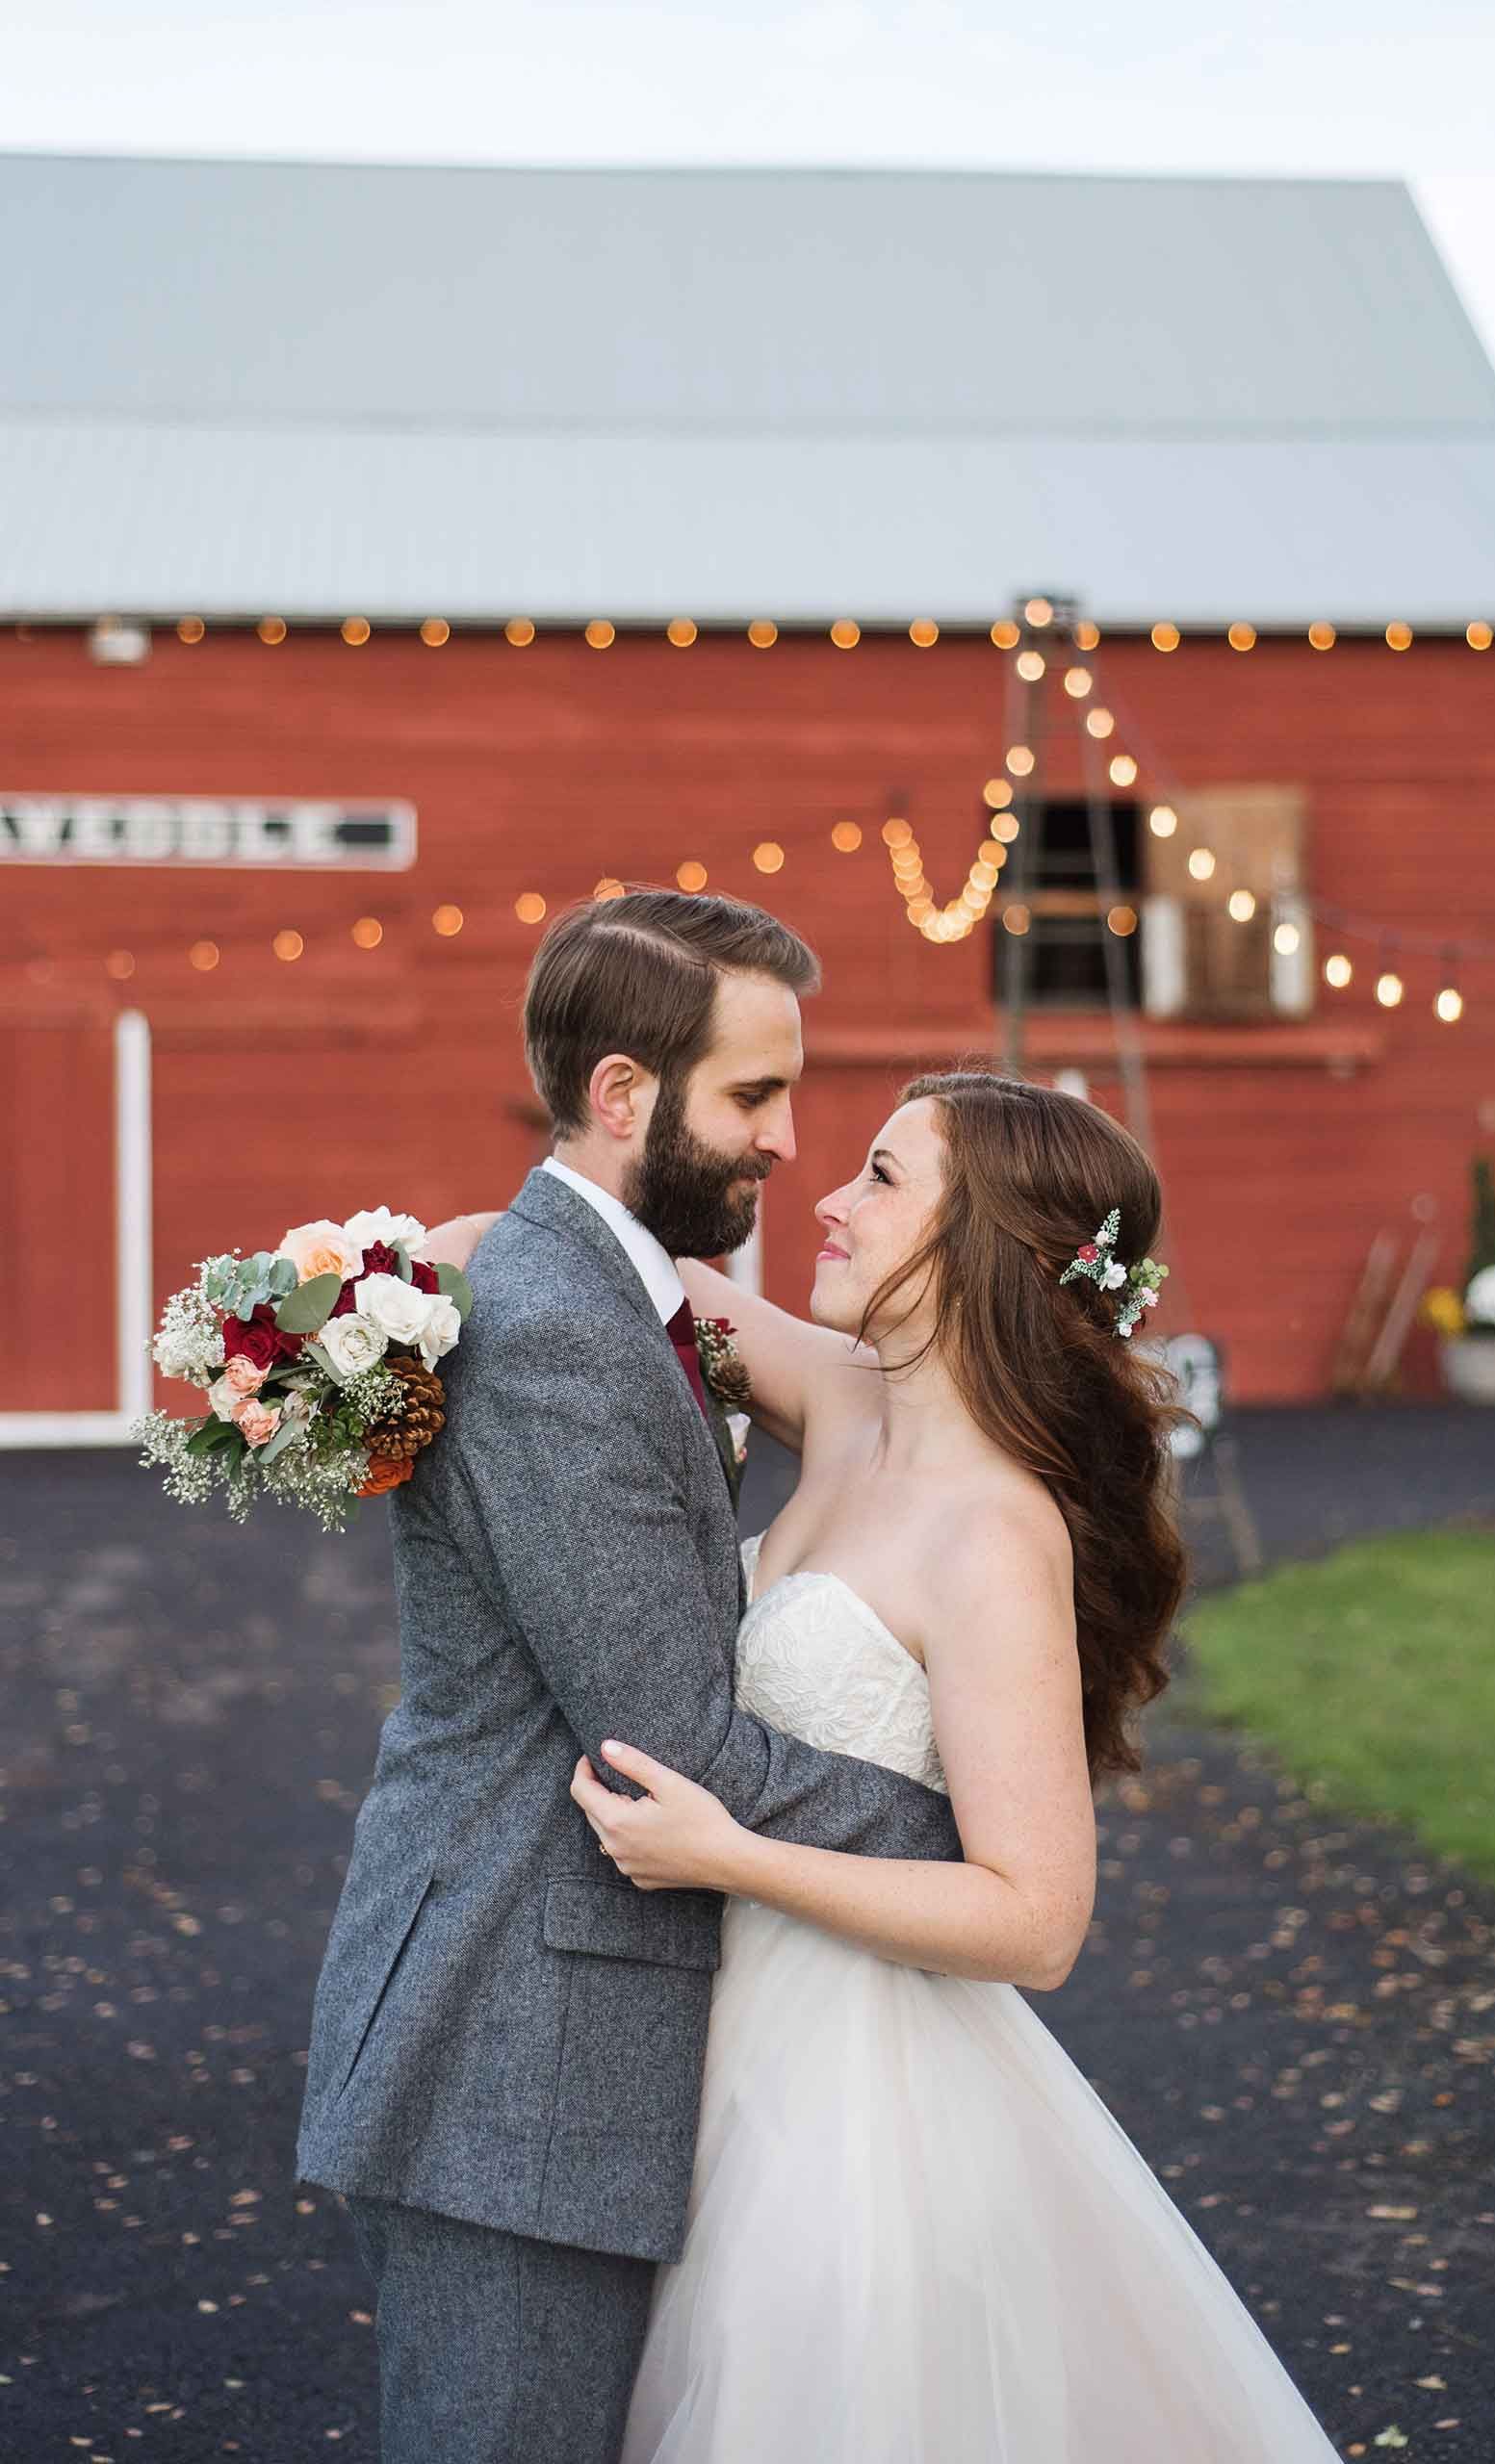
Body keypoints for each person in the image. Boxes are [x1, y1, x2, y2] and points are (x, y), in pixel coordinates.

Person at [437, 1065, 1341, 2460]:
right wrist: (367, 1279)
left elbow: (1036, 1919)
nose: (832, 1203)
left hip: (851, 2089)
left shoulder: (991, 1537)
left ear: (980, 1244)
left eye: (880, 1178)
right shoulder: (845, 1398)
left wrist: (728, 1854)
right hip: (697, 2024)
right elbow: (602, 1274)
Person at [295, 890, 963, 2464]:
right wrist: (965, 1848)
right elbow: (666, 1737)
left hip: (555, 2036)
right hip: (513, 2048)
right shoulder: (554, 1331)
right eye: (753, 1095)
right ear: (621, 1096)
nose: (789, 1139)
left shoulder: (613, 1296)